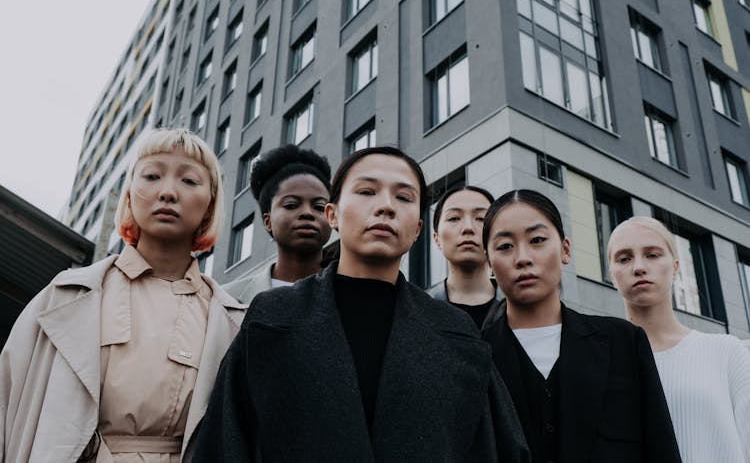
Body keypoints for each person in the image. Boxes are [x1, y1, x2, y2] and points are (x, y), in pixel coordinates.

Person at [191, 146, 531, 462]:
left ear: (417, 229)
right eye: (367, 192)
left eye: (403, 196)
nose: (385, 206)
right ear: (333, 215)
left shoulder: (456, 332)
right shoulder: (272, 317)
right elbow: (225, 444)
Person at [0, 128, 247, 462]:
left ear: (210, 205)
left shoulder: (233, 322)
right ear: (129, 195)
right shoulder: (65, 295)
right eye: (152, 176)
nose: (168, 192)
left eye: (189, 181)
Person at [481, 189, 681, 463]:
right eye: (505, 246)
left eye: (537, 240)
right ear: (489, 264)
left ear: (565, 250)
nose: (523, 258)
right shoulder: (474, 355)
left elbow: (661, 448)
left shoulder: (623, 341)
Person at [607, 216, 750, 463]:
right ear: (611, 273)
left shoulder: (726, 351)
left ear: (675, 267)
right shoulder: (599, 362)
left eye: (652, 255)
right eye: (624, 258)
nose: (639, 267)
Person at [224, 145, 332, 303]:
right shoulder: (226, 299)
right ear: (268, 221)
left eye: (319, 207)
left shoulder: (353, 295)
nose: (307, 213)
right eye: (291, 205)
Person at [429, 185, 502, 329]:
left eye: (481, 218)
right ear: (437, 239)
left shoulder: (519, 305)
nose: (468, 227)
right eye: (454, 218)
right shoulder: (417, 307)